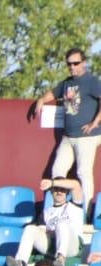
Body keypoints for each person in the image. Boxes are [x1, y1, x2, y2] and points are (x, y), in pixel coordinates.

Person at [28, 49, 101, 206]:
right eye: (69, 64)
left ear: (84, 63)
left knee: (83, 172)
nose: (72, 67)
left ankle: (85, 210)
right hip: (68, 136)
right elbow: (53, 93)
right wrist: (41, 100)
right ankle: (59, 206)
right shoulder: (67, 82)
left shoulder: (92, 81)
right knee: (58, 170)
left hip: (86, 136)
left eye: (76, 63)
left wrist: (95, 122)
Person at [11, 178, 86, 266]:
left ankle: (61, 259)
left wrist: (52, 183)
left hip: (72, 246)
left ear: (67, 192)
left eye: (62, 189)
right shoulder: (46, 212)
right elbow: (41, 231)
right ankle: (20, 262)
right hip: (52, 246)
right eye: (56, 189)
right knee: (30, 228)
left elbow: (75, 185)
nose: (59, 192)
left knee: (61, 223)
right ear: (51, 191)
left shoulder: (75, 206)